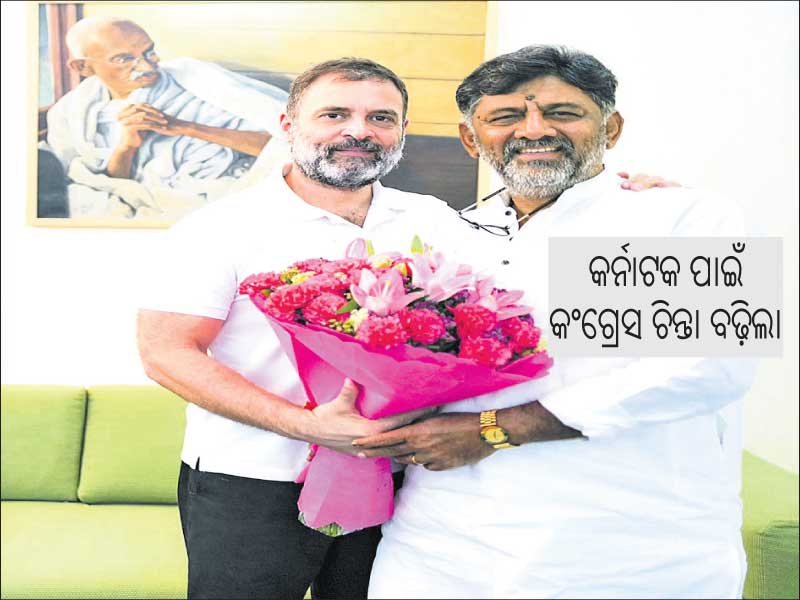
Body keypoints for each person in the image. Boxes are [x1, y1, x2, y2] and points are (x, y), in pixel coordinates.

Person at [136, 54, 675, 598]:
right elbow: (166, 353)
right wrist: (305, 425)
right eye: (334, 114)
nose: (358, 131)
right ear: (288, 125)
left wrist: (621, 198)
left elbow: (530, 237)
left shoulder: (439, 220)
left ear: (402, 131)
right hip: (253, 480)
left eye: (380, 118)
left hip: (396, 479)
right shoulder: (217, 228)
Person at [359, 45, 757, 599]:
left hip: (630, 551)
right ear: (471, 138)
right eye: (505, 116)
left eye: (563, 113)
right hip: (439, 544)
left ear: (610, 128)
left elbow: (709, 369)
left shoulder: (680, 217)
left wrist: (493, 429)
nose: (535, 130)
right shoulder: (444, 235)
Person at [44, 17, 288, 219]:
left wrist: (183, 126)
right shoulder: (73, 111)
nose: (147, 67)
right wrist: (126, 147)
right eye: (124, 59)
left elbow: (285, 145)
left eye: (149, 52)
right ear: (83, 68)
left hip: (224, 189)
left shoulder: (196, 81)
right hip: (157, 202)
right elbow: (115, 185)